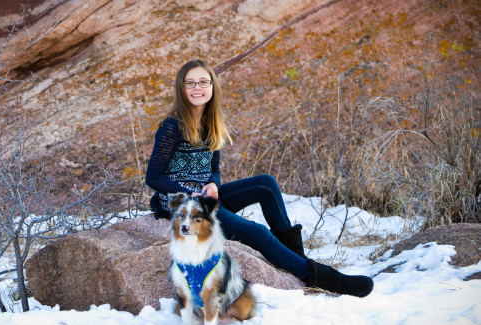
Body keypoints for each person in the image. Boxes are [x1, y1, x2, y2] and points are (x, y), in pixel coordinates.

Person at [145, 59, 373, 297]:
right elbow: (154, 176)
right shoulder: (172, 127)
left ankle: (297, 259)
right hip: (185, 206)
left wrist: (214, 184)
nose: (197, 88)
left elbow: (214, 169)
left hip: (206, 196)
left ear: (213, 86)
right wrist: (188, 194)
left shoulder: (210, 121)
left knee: (266, 184)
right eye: (190, 83)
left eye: (203, 82)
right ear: (181, 89)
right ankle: (326, 279)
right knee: (258, 233)